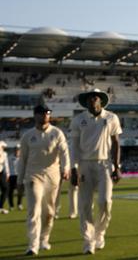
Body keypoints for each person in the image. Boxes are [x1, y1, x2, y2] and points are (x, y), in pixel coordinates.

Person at [69, 88, 122, 254]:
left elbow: (116, 143)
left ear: (101, 101)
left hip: (105, 164)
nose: (91, 100)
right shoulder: (78, 120)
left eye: (95, 98)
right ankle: (88, 241)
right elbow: (74, 147)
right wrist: (73, 168)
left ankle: (100, 234)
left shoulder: (111, 118)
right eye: (89, 98)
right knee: (85, 205)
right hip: (85, 165)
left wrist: (117, 166)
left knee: (105, 202)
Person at [17, 105, 70, 255]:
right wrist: (20, 180)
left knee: (49, 212)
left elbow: (65, 153)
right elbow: (23, 160)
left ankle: (44, 239)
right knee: (34, 210)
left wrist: (65, 168)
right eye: (41, 113)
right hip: (34, 175)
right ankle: (33, 244)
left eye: (47, 113)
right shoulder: (28, 136)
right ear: (35, 116)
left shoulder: (57, 133)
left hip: (53, 176)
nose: (44, 116)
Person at [8, 144, 24, 211]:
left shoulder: (22, 158)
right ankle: (11, 205)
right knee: (10, 191)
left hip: (20, 175)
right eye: (16, 149)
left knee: (20, 191)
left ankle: (19, 204)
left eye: (18, 149)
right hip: (12, 175)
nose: (17, 151)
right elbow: (7, 166)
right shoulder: (10, 157)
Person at [0, 141, 9, 214]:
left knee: (5, 188)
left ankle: (1, 207)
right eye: (2, 147)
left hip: (1, 172)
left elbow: (6, 164)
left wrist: (7, 174)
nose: (3, 148)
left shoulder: (4, 154)